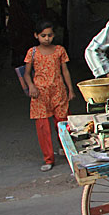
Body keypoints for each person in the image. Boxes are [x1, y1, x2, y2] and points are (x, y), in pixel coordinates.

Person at [24, 19, 75, 171]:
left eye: (50, 35)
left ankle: (66, 150)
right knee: (43, 127)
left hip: (58, 91)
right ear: (36, 36)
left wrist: (70, 89)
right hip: (39, 94)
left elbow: (65, 70)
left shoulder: (60, 50)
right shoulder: (32, 52)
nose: (47, 38)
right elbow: (27, 74)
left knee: (63, 123)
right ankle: (48, 159)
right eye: (43, 35)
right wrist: (31, 86)